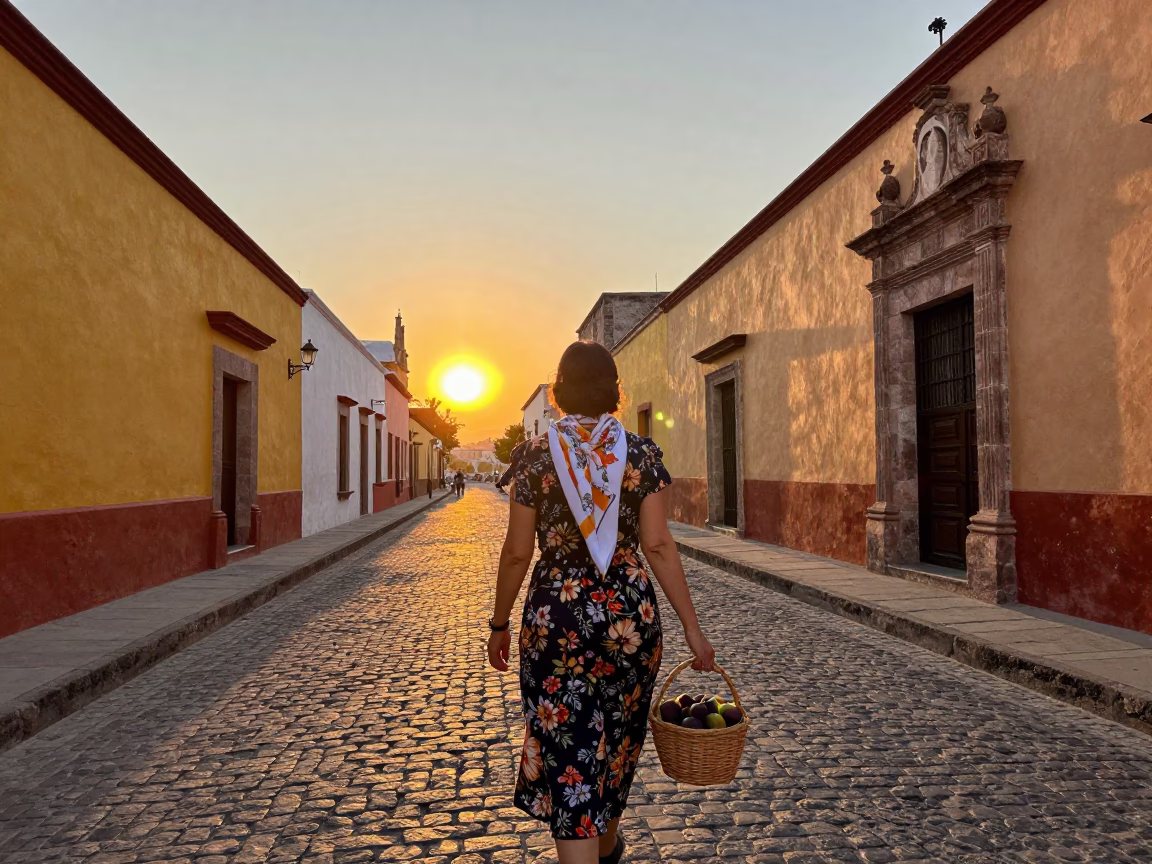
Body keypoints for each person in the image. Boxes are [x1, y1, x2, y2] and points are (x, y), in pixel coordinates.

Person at [487, 340, 715, 864]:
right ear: (614, 392)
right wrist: (693, 631)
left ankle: (592, 853)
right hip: (630, 621)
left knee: (570, 752)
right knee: (616, 742)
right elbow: (657, 544)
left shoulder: (536, 456)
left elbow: (518, 551)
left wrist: (499, 622)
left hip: (556, 619)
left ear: (559, 392)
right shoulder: (641, 454)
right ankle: (606, 851)